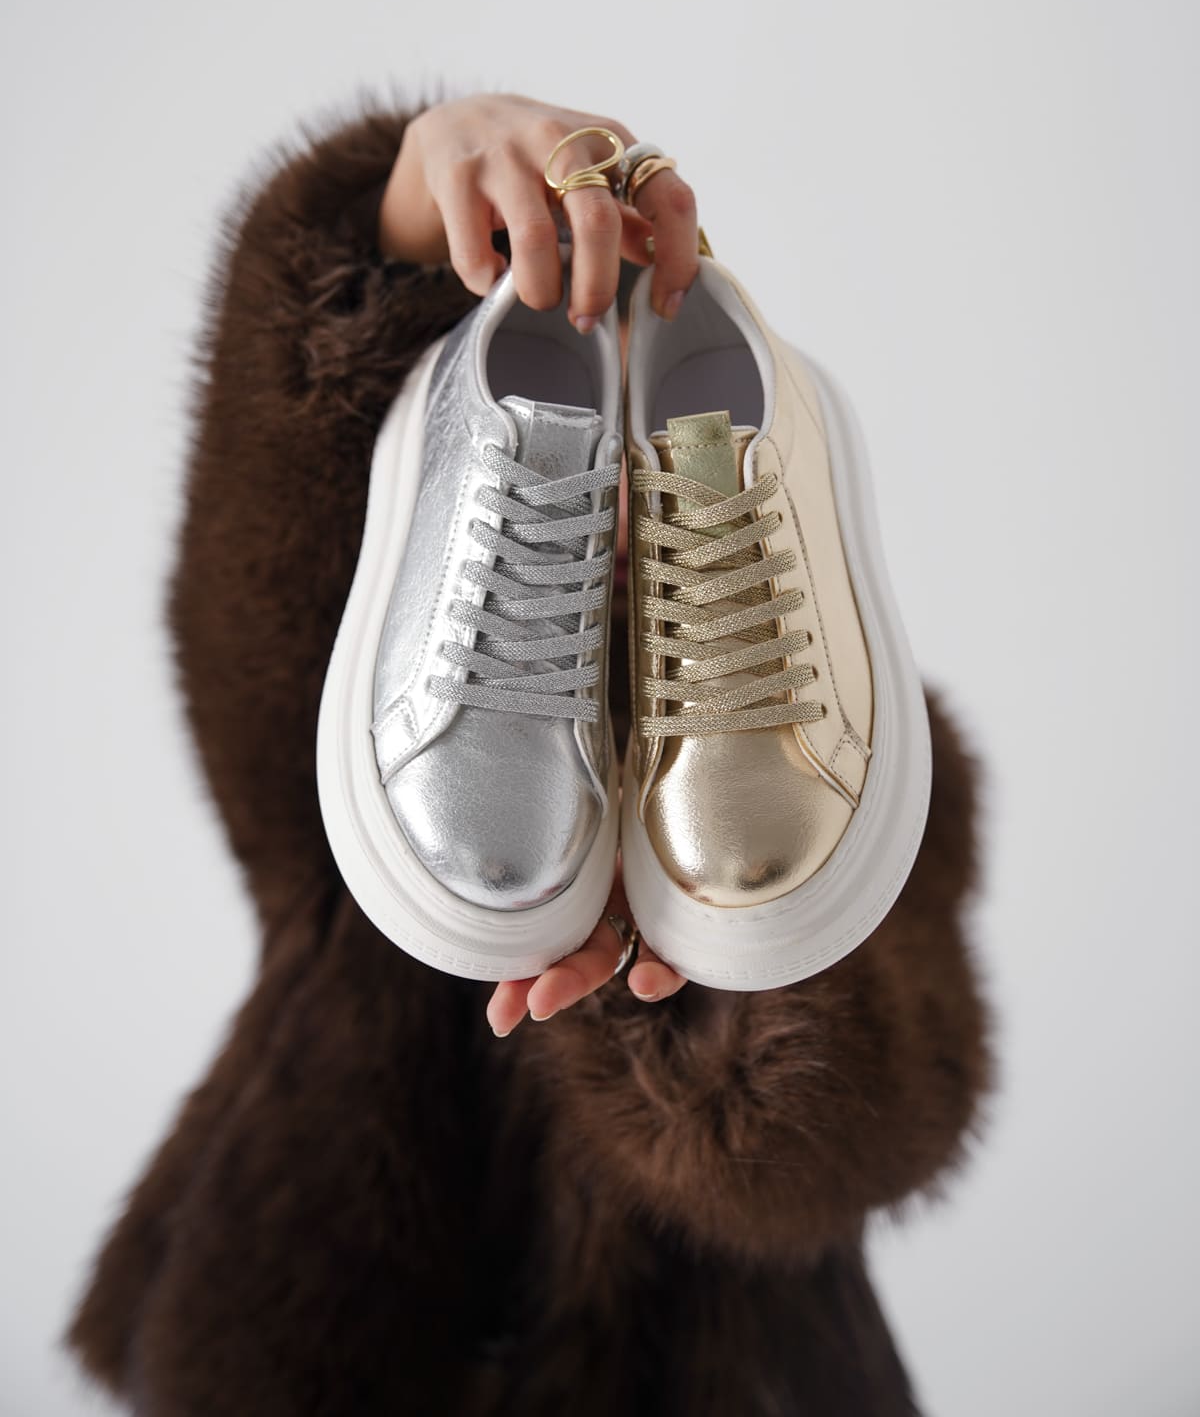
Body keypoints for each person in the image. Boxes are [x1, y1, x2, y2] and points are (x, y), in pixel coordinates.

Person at [67, 93, 990, 1415]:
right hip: (314, 1344)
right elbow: (247, 603)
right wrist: (394, 223)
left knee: (785, 886)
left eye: (647, 467)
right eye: (575, 467)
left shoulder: (866, 753)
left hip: (735, 1375)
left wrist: (694, 1001)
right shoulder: (369, 692)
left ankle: (730, 586)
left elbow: (886, 1129)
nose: (609, 490)